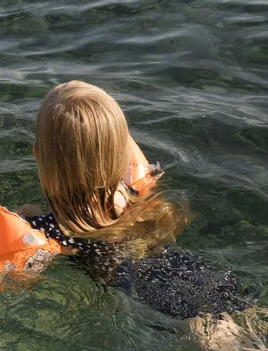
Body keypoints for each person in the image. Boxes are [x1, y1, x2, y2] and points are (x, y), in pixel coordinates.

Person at [14, 80, 253, 320]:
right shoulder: (129, 191)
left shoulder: (46, 230)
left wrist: (22, 221)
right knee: (250, 321)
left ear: (37, 153)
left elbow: (19, 279)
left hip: (153, 295)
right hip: (192, 270)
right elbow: (119, 144)